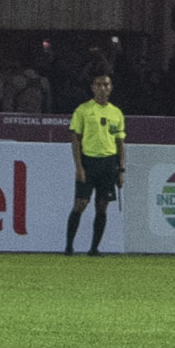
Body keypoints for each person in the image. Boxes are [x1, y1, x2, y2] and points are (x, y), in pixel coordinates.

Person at [64, 69, 127, 254]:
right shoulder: (83, 110)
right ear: (92, 88)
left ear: (111, 88)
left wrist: (121, 169)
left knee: (102, 206)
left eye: (106, 84)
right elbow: (76, 139)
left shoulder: (116, 113)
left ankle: (94, 248)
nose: (102, 88)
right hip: (89, 162)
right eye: (99, 84)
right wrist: (79, 167)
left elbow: (120, 142)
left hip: (108, 163)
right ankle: (69, 246)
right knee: (80, 204)